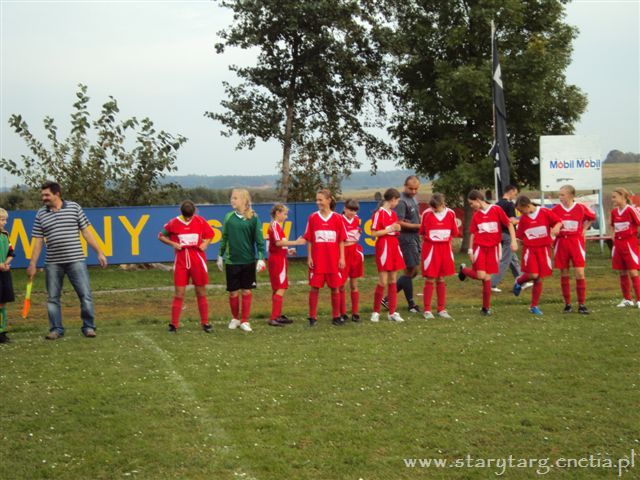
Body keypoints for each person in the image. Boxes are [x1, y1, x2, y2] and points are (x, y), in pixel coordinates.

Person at [27, 181, 108, 339]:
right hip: (52, 263)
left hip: (76, 260)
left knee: (85, 295)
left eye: (47, 195)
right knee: (52, 298)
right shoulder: (40, 214)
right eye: (42, 195)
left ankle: (89, 327)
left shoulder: (74, 207)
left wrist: (99, 252)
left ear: (57, 194)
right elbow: (37, 241)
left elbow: (86, 232)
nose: (43, 198)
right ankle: (56, 329)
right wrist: (32, 264)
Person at [158, 200, 215, 333]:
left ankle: (205, 323)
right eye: (186, 216)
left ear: (194, 212)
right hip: (181, 260)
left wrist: (205, 244)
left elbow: (210, 234)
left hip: (197, 259)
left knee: (200, 291)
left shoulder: (200, 221)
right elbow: (160, 236)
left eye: (190, 216)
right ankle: (174, 324)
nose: (188, 218)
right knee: (179, 292)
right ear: (181, 213)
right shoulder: (173, 222)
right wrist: (173, 243)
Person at [458, 190, 517, 315]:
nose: (471, 205)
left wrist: (513, 241)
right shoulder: (476, 215)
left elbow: (510, 225)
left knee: (487, 278)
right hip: (479, 247)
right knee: (481, 275)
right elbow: (473, 233)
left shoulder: (496, 210)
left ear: (477, 199)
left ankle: (486, 308)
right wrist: (470, 249)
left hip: (494, 248)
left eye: (471, 203)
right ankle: (464, 270)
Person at [217, 189, 266, 333]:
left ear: (244, 200)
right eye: (232, 198)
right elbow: (224, 237)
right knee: (233, 292)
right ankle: (235, 318)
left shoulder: (254, 218)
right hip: (232, 262)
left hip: (248, 261)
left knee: (246, 291)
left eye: (235, 198)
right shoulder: (228, 217)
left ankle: (245, 320)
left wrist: (261, 258)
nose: (232, 201)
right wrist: (220, 255)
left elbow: (259, 240)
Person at [512, 195, 563, 315]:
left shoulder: (544, 212)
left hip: (544, 249)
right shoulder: (524, 219)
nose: (520, 212)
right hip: (530, 250)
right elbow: (519, 236)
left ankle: (534, 306)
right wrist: (515, 244)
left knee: (539, 278)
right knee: (533, 274)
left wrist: (556, 227)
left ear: (527, 205)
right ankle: (519, 281)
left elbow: (558, 222)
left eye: (520, 210)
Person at [303, 189, 347, 326]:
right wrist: (309, 256)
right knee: (314, 287)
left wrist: (342, 258)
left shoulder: (338, 218)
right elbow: (309, 239)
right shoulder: (313, 217)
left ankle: (336, 316)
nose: (318, 202)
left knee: (335, 287)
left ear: (328, 200)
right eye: (317, 200)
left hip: (333, 259)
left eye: (320, 200)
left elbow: (341, 240)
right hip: (318, 259)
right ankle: (312, 317)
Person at [551, 185, 596, 314]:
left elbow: (591, 217)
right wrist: (553, 231)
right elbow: (550, 223)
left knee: (580, 273)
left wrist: (583, 230)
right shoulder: (556, 210)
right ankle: (568, 304)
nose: (560, 197)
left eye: (562, 195)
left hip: (576, 242)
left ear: (571, 195)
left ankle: (582, 304)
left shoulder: (580, 208)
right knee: (564, 272)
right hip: (561, 242)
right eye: (559, 195)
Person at [383, 176, 422, 313]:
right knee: (410, 270)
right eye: (411, 188)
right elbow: (398, 222)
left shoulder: (414, 199)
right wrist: (418, 225)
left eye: (416, 188)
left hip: (415, 237)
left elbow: (415, 215)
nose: (413, 191)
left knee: (414, 270)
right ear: (405, 186)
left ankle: (388, 299)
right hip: (406, 239)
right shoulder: (401, 201)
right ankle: (410, 304)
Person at [419, 193, 459, 319]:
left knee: (441, 278)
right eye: (432, 208)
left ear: (442, 204)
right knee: (430, 278)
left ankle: (441, 309)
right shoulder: (426, 213)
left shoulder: (451, 213)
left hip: (445, 248)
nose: (434, 210)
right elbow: (422, 232)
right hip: (431, 248)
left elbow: (455, 232)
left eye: (436, 208)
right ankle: (427, 310)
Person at [370, 188, 406, 322]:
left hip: (394, 246)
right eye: (397, 201)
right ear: (392, 200)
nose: (397, 203)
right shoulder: (379, 214)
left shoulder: (393, 214)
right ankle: (375, 312)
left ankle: (392, 312)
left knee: (393, 280)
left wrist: (397, 228)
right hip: (383, 246)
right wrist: (389, 229)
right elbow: (373, 233)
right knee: (382, 281)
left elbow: (395, 231)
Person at [267, 204, 305, 327]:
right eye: (284, 213)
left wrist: (288, 250)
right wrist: (296, 242)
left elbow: (277, 245)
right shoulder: (275, 225)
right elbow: (278, 242)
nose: (286, 216)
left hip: (279, 258)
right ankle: (274, 317)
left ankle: (277, 314)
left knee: (277, 287)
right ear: (278, 213)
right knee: (281, 287)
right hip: (278, 260)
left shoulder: (277, 226)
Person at [490, 185, 532, 293]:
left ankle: (521, 282)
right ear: (511, 191)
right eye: (515, 193)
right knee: (504, 260)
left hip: (499, 234)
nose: (515, 195)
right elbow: (512, 221)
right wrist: (521, 219)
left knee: (513, 260)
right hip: (508, 235)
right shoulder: (509, 204)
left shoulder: (497, 204)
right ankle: (492, 284)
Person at [610, 187, 640, 308]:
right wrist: (613, 236)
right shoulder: (614, 212)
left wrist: (634, 236)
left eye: (614, 197)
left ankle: (639, 299)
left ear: (623, 197)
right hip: (618, 244)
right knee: (622, 271)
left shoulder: (630, 210)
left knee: (633, 270)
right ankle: (627, 298)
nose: (613, 200)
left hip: (629, 243)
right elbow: (612, 226)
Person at [339, 199, 365, 322]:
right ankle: (342, 312)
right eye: (350, 210)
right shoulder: (339, 219)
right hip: (343, 253)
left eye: (354, 210)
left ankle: (355, 312)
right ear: (345, 208)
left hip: (354, 252)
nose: (352, 213)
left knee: (354, 284)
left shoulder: (356, 220)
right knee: (341, 285)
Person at [0, 208, 15, 343]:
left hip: (4, 274)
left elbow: (11, 252)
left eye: (5, 220)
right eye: (1, 219)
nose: (4, 223)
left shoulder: (5, 235)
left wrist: (6, 263)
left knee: (3, 303)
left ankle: (2, 331)